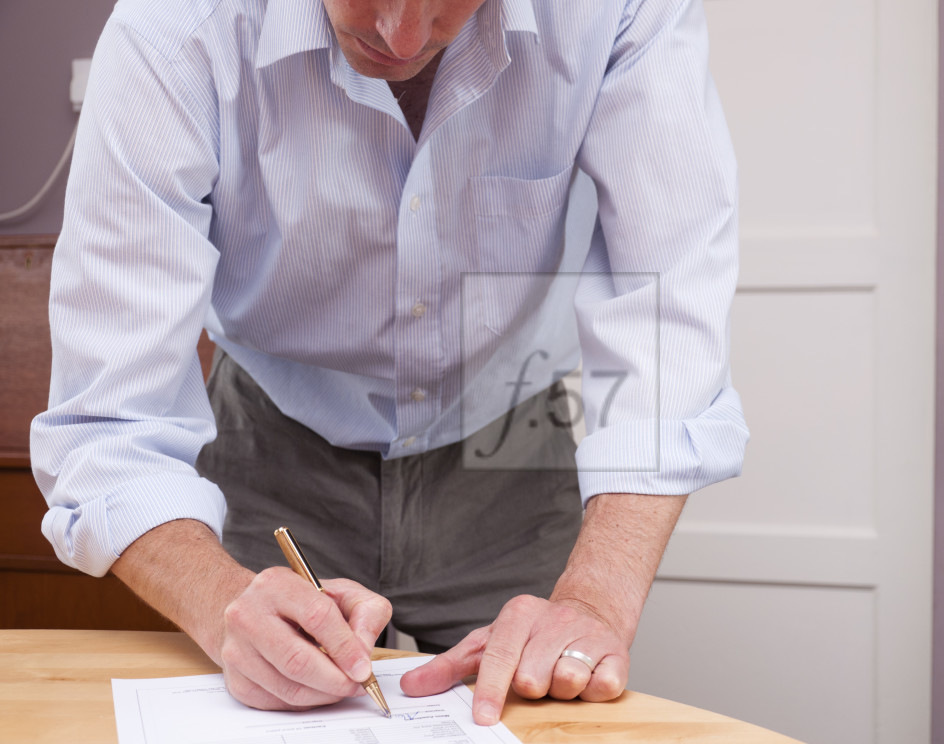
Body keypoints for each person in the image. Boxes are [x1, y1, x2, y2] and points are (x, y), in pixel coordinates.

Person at [30, 0, 748, 727]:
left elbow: (665, 295)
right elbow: (109, 419)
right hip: (269, 440)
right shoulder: (175, 30)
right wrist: (219, 601)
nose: (400, 37)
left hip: (510, 448)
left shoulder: (617, 12)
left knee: (543, 719)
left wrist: (592, 602)